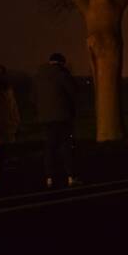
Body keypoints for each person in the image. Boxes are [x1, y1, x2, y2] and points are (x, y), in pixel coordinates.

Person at [34, 52, 80, 188]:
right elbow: (74, 93)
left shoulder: (38, 76)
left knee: (49, 149)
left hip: (45, 119)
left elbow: (33, 97)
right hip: (63, 118)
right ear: (62, 62)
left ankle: (49, 178)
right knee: (66, 147)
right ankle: (71, 176)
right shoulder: (63, 74)